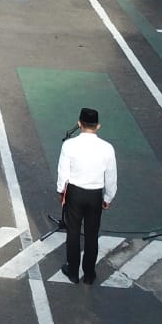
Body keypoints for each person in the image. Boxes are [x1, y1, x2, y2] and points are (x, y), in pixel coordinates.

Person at [56, 107, 117, 284]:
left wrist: (61, 192)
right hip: (95, 195)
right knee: (92, 235)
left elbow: (63, 172)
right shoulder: (107, 148)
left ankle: (73, 271)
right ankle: (89, 274)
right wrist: (108, 198)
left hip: (75, 192)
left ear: (79, 124)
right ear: (98, 126)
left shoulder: (69, 145)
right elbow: (111, 176)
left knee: (73, 232)